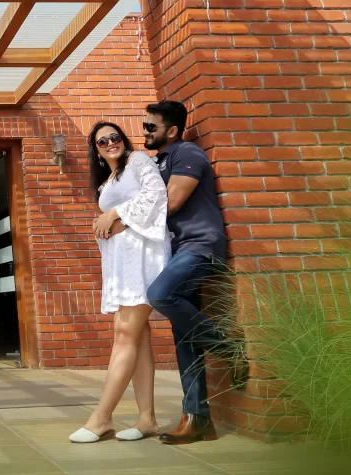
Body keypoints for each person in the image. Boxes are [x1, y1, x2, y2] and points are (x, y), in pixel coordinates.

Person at [143, 100, 245, 445]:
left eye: (151, 126)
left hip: (201, 246)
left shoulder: (187, 153)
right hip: (178, 252)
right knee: (185, 336)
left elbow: (172, 202)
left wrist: (125, 216)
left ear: (172, 131)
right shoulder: (158, 161)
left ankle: (228, 347)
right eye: (145, 126)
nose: (145, 132)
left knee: (159, 294)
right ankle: (198, 419)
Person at [69, 122, 171, 443]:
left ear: (124, 140)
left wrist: (115, 215)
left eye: (115, 137)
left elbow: (156, 194)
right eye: (102, 141)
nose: (110, 143)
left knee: (125, 333)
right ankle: (147, 419)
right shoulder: (107, 181)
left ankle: (101, 419)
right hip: (122, 264)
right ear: (96, 151)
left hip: (143, 258)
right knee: (138, 336)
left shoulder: (137, 161)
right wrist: (105, 222)